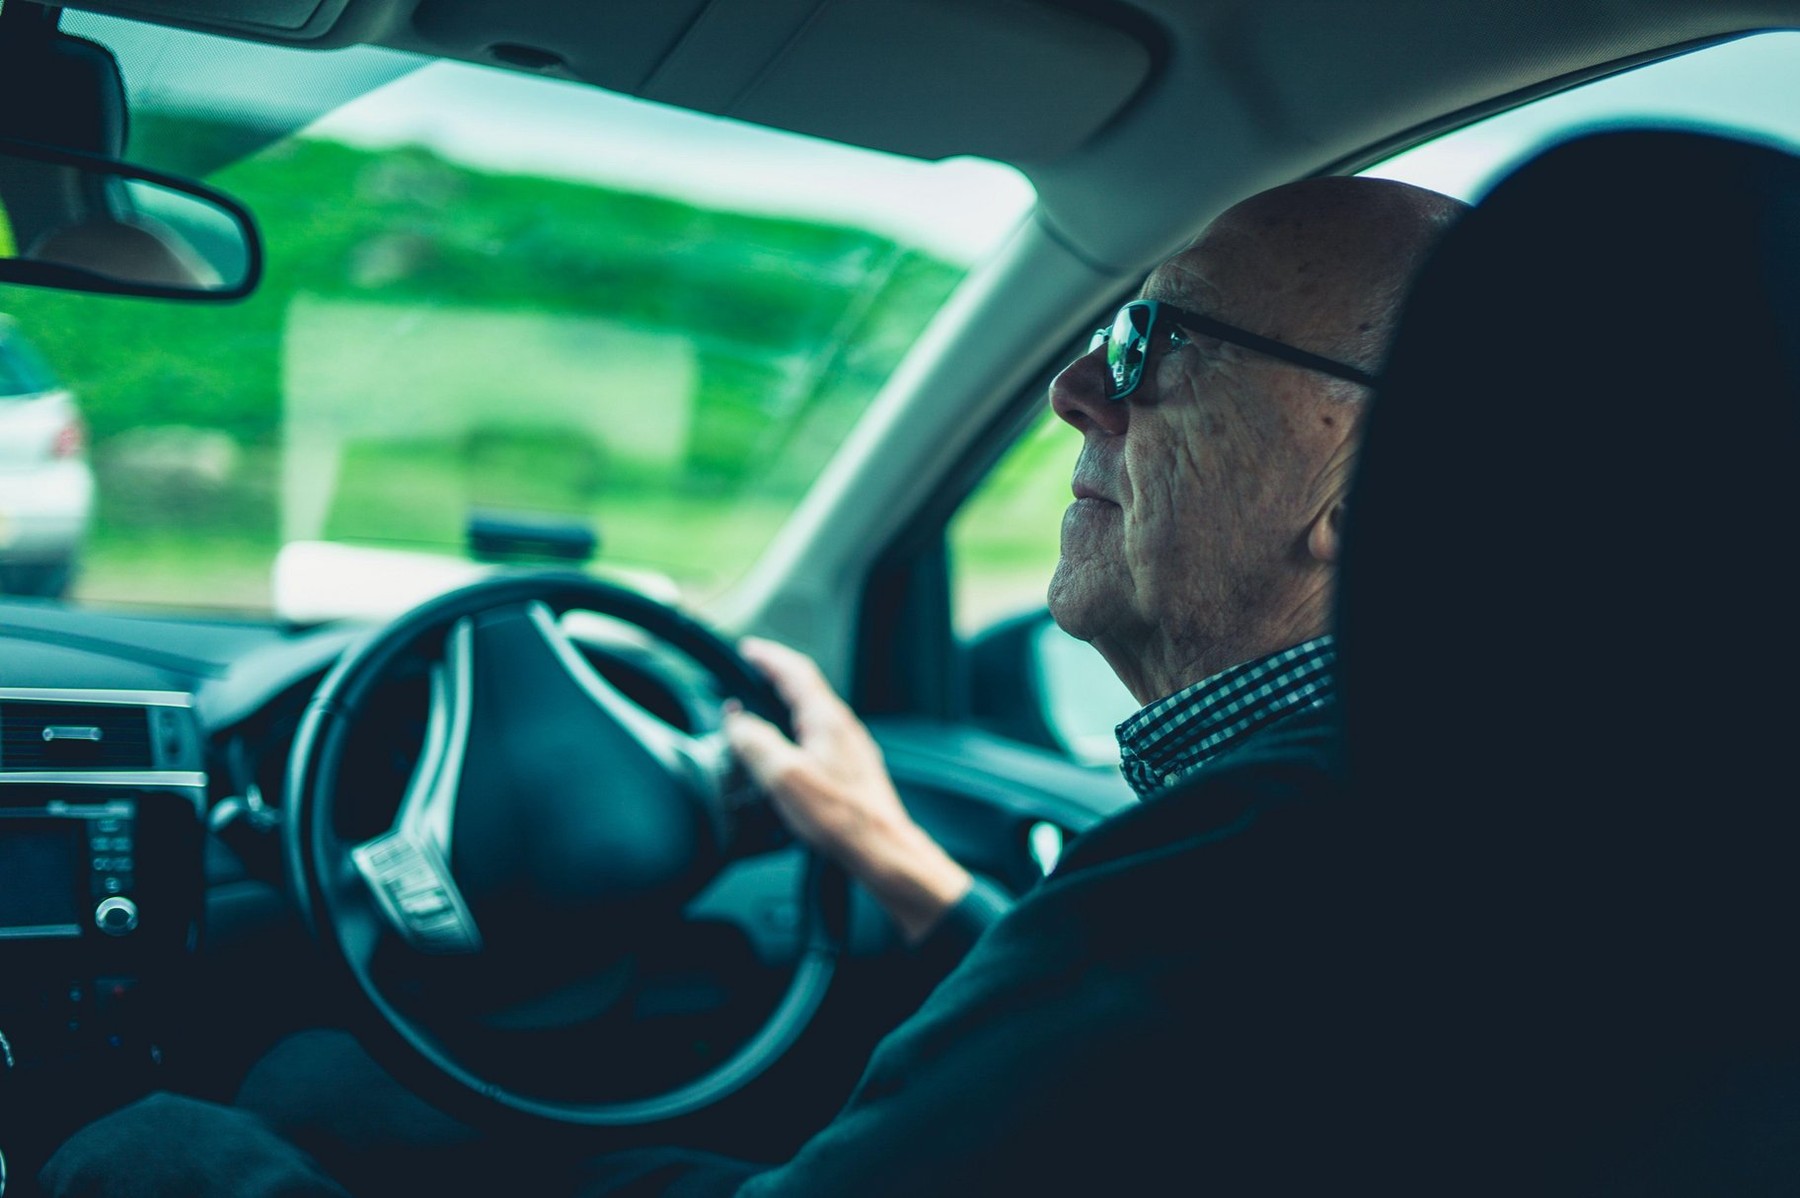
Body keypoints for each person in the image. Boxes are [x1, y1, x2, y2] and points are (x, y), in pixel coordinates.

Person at [40, 174, 1466, 1197]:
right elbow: (1101, 1061)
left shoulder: (1245, 867)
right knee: (321, 1083)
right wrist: (906, 865)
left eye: (1157, 343)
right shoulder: (1416, 822)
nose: (1078, 387)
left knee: (154, 1141)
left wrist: (133, 1151)